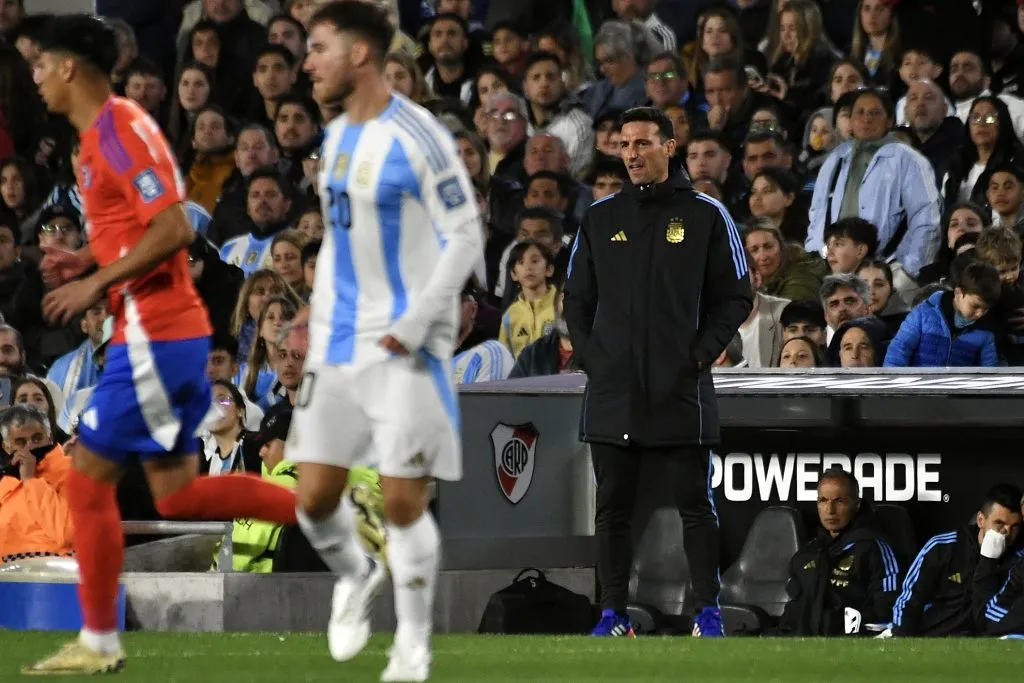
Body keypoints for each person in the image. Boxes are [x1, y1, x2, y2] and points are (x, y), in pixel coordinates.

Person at [25, 16, 299, 675]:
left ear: (67, 67)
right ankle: (317, 502)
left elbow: (173, 226)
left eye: (38, 64)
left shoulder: (118, 131)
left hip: (155, 332)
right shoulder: (95, 141)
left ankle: (97, 642)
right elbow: (133, 229)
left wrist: (94, 279)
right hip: (157, 334)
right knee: (177, 497)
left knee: (86, 479)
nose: (31, 78)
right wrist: (84, 256)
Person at [292, 3, 482, 681]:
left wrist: (420, 318)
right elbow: (342, 245)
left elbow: (464, 232)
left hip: (405, 343)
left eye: (318, 49)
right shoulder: (337, 137)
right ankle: (356, 571)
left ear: (360, 55)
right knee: (312, 499)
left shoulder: (418, 133)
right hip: (339, 341)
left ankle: (413, 645)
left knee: (403, 502)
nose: (306, 62)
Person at [563, 106, 752, 638]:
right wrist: (595, 359)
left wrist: (699, 354)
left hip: (680, 387)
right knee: (612, 511)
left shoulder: (706, 215)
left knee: (696, 505)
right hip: (613, 390)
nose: (632, 154)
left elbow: (737, 294)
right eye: (625, 145)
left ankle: (708, 612)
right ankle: (611, 613)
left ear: (670, 147)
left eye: (644, 144)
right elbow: (575, 298)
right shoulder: (600, 218)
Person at [888, 483, 1024, 637]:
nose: (1006, 532)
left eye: (1015, 527)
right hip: (933, 638)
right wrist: (902, 640)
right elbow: (909, 601)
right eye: (999, 523)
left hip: (984, 644)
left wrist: (988, 561)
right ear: (980, 520)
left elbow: (990, 614)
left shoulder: (1018, 561)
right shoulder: (943, 546)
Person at [779, 469, 902, 636]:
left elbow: (890, 611)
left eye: (839, 501)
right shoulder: (805, 555)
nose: (830, 510)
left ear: (856, 504)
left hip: (857, 647)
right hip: (804, 650)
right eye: (823, 500)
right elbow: (793, 611)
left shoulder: (875, 548)